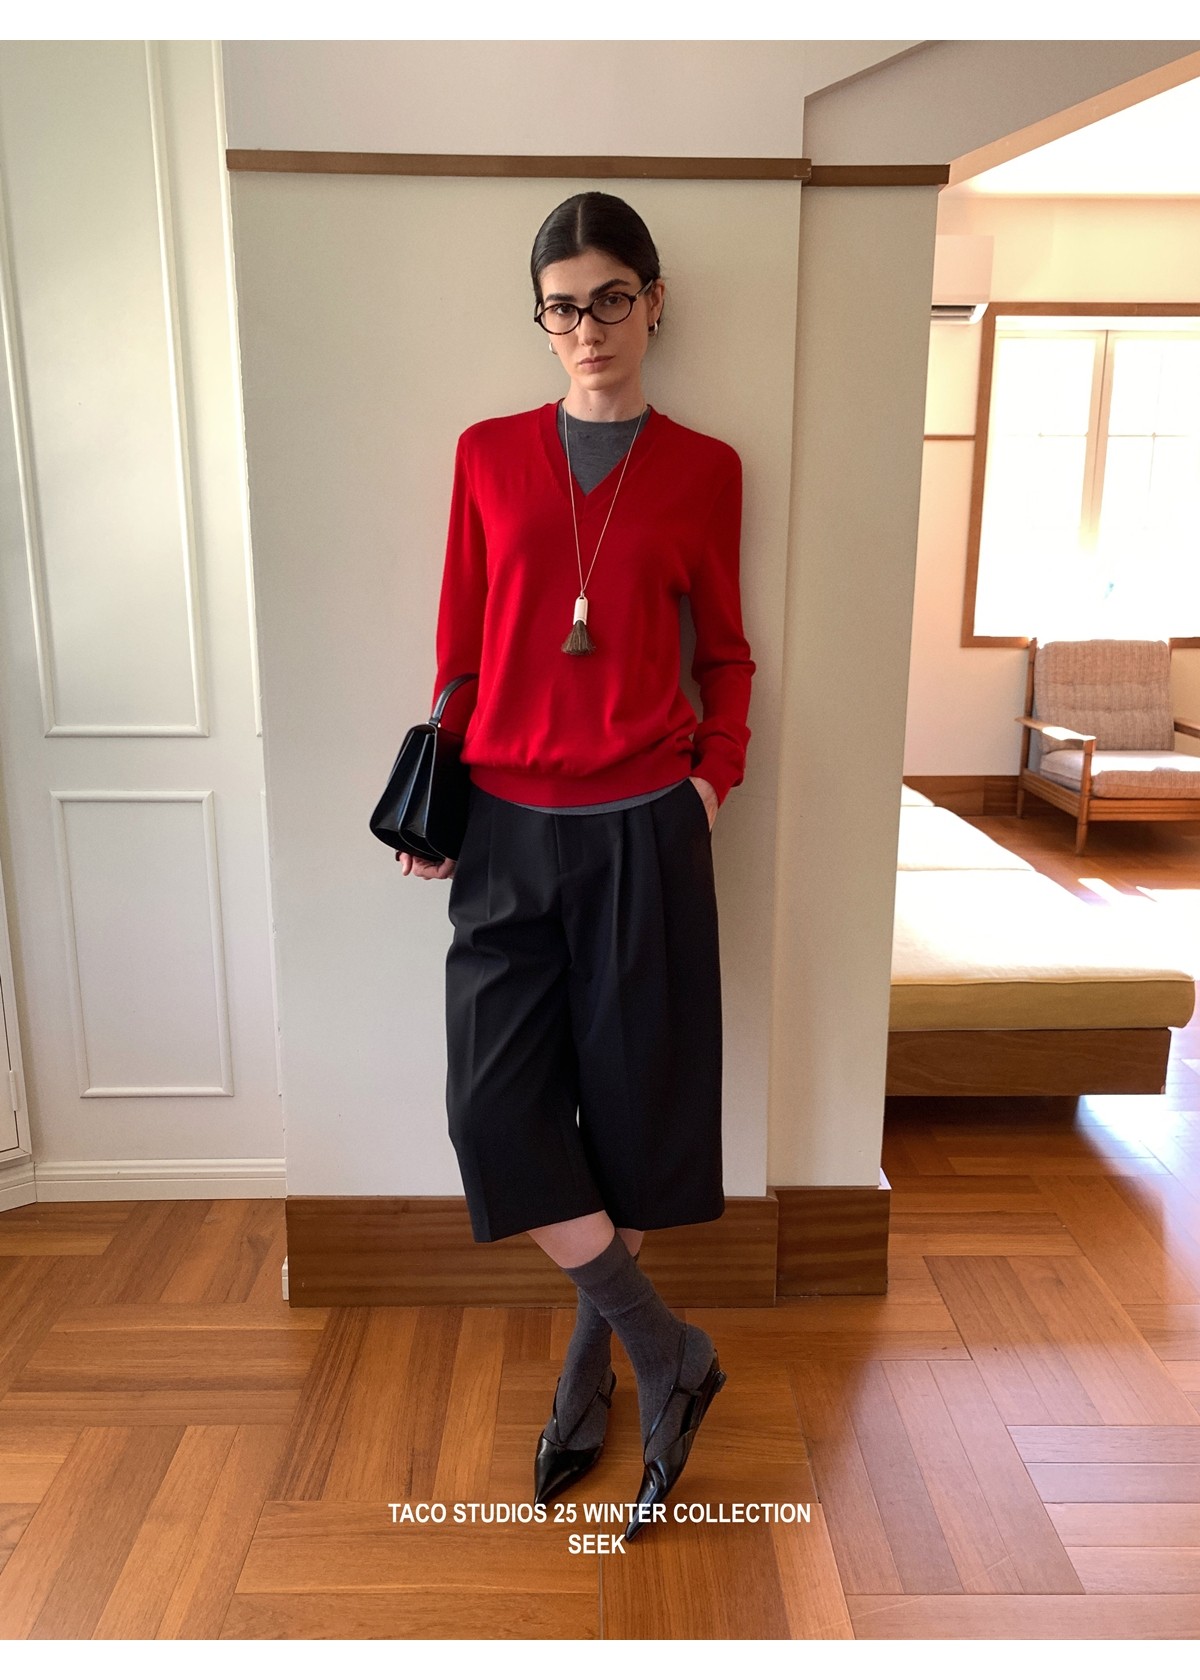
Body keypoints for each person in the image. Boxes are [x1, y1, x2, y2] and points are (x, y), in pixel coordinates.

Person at [395, 191, 755, 1542]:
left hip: (646, 826)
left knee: (630, 1120)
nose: (588, 327)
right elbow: (460, 647)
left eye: (611, 299)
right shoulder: (488, 454)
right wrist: (441, 799)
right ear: (541, 319)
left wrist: (711, 781)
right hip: (503, 825)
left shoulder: (705, 468)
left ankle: (588, 1371)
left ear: (653, 303)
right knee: (495, 1113)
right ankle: (665, 1349)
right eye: (563, 306)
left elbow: (727, 652)